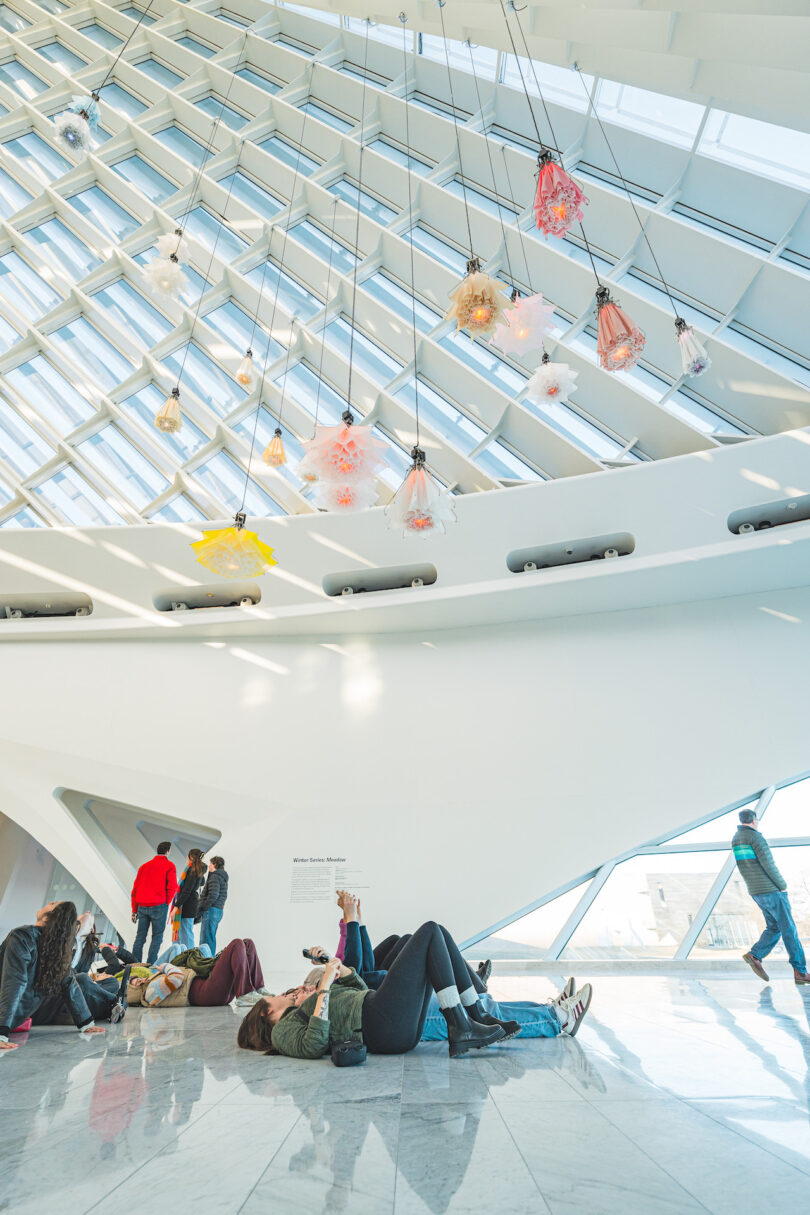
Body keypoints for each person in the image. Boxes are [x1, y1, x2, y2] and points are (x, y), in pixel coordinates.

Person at [239, 920, 527, 1060]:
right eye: (274, 998)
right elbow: (314, 1044)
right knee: (428, 933)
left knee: (435, 931)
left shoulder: (301, 1008)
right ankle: (462, 1025)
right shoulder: (282, 1030)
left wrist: (341, 970)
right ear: (266, 1012)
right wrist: (324, 986)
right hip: (379, 1024)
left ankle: (475, 1016)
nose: (281, 994)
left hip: (381, 1016)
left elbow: (360, 988)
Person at [331, 892, 592, 1040]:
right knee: (483, 1007)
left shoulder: (326, 990)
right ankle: (558, 1018)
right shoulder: (320, 1002)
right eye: (291, 995)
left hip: (387, 998)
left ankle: (486, 994)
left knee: (406, 940)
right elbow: (357, 972)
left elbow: (359, 970)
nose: (294, 993)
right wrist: (351, 920)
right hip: (396, 1014)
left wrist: (356, 921)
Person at [0, 901, 108, 1050]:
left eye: (53, 904)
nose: (50, 902)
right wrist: (86, 1022)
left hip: (6, 1020)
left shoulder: (22, 936)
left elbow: (15, 982)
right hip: (16, 1019)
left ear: (46, 919)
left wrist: (1, 1031)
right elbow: (69, 983)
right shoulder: (57, 948)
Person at [734, 808, 810, 984]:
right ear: (754, 820)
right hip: (771, 890)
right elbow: (768, 864)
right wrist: (782, 886)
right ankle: (800, 972)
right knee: (789, 929)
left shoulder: (736, 839)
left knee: (774, 927)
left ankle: (755, 955)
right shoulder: (755, 837)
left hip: (756, 891)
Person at [121, 938, 266, 1009]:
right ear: (134, 988)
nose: (139, 978)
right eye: (135, 980)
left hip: (209, 988)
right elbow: (176, 978)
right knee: (236, 944)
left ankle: (257, 988)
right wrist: (166, 966)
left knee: (247, 943)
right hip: (206, 994)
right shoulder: (149, 993)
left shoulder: (150, 985)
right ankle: (245, 995)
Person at [131, 841, 178, 965]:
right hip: (159, 906)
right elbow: (172, 887)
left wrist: (134, 910)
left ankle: (134, 965)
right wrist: (166, 903)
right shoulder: (170, 866)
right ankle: (150, 966)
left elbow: (135, 890)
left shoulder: (144, 867)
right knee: (157, 937)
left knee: (140, 937)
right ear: (168, 851)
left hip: (142, 906)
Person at [171, 848, 206, 950]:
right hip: (192, 904)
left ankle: (189, 958)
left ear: (190, 857)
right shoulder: (199, 870)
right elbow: (202, 883)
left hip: (187, 905)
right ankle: (183, 958)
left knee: (186, 934)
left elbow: (186, 892)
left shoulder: (192, 871)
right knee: (186, 933)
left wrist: (175, 907)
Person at [196, 855, 228, 954]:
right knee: (210, 937)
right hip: (218, 910)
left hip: (211, 910)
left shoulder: (215, 876)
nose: (209, 866)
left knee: (206, 940)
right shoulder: (222, 877)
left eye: (210, 864)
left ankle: (205, 962)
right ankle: (209, 961)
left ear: (214, 864)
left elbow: (213, 894)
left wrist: (204, 907)